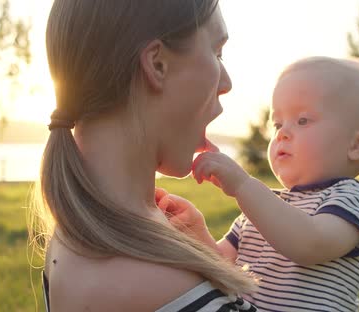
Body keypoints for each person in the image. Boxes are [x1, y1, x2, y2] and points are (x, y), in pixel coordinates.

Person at [28, 1, 259, 311]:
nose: (227, 83)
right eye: (217, 53)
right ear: (157, 64)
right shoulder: (164, 285)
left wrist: (205, 254)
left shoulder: (72, 237)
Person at [159, 56, 359, 311]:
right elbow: (221, 269)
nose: (282, 133)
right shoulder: (262, 209)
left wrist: (243, 185)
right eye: (277, 124)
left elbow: (309, 243)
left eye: (303, 120)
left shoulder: (351, 198)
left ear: (358, 144)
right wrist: (196, 233)